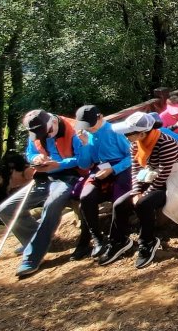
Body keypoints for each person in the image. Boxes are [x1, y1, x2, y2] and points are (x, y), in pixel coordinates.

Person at [0, 109, 91, 278]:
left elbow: (84, 158)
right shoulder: (36, 132)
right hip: (44, 177)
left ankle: (32, 256)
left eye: (45, 132)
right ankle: (34, 241)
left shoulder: (74, 128)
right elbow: (30, 152)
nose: (42, 136)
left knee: (52, 203)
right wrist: (35, 159)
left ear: (52, 122)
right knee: (5, 209)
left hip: (70, 176)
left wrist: (59, 165)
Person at [100, 112, 178, 268]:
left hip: (175, 180)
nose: (126, 136)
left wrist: (143, 194)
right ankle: (118, 241)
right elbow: (136, 169)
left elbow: (163, 174)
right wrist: (135, 191)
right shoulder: (136, 143)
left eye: (128, 133)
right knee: (119, 204)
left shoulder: (165, 143)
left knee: (143, 203)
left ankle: (148, 241)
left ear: (141, 133)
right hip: (150, 177)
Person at [75, 105, 133, 260]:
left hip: (119, 168)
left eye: (92, 124)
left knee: (119, 198)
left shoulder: (114, 131)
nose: (89, 129)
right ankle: (97, 238)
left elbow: (131, 156)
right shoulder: (85, 135)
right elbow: (84, 164)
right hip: (99, 169)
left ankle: (118, 236)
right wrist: (85, 145)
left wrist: (114, 169)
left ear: (100, 117)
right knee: (86, 197)